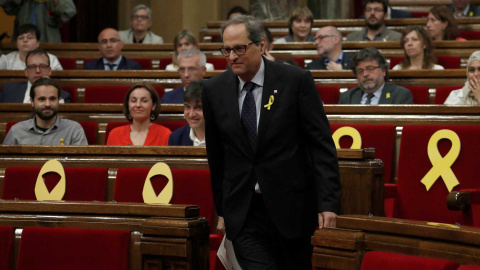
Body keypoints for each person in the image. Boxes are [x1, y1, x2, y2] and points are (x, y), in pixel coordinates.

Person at [203, 15, 341, 269]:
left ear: (262, 45)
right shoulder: (214, 90)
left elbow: (320, 145)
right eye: (227, 50)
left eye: (240, 48)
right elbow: (217, 154)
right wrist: (223, 208)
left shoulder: (295, 81)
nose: (232, 56)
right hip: (244, 212)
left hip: (292, 208)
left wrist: (328, 203)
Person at [3, 77, 86, 145]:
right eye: (42, 99)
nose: (47, 104)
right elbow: (5, 163)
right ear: (32, 102)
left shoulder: (74, 130)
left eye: (52, 99)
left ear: (58, 101)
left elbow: (79, 165)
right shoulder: (16, 131)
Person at [339, 47, 413, 104]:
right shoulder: (347, 97)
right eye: (360, 71)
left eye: (370, 68)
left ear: (383, 71)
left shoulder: (400, 95)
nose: (365, 74)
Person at [0, 48, 70, 103]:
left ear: (49, 71)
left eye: (42, 66)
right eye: (32, 67)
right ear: (26, 72)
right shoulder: (8, 90)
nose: (37, 71)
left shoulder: (62, 97)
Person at [0, 0, 76, 43]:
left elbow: (69, 12)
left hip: (48, 42)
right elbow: (7, 7)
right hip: (22, 43)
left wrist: (56, 2)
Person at [168, 80, 205, 146]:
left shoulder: (226, 137)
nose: (191, 114)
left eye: (198, 108)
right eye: (187, 107)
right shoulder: (176, 138)